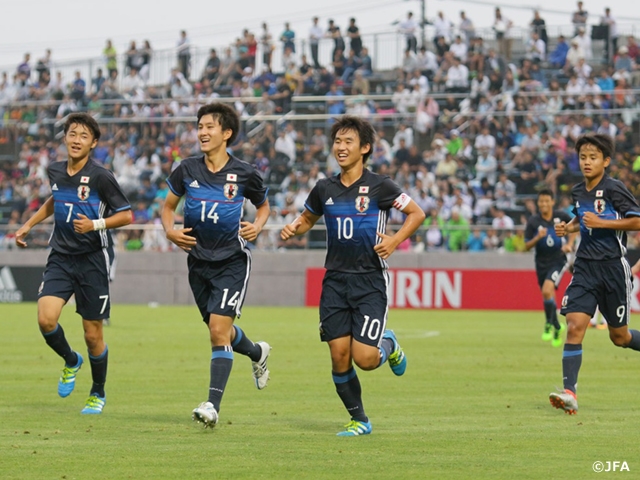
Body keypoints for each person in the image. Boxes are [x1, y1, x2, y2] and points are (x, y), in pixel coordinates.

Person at [280, 116, 426, 436]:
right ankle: (360, 420)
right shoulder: (324, 188)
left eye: (348, 142)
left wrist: (394, 239)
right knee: (339, 355)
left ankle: (389, 344)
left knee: (365, 358)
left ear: (365, 148)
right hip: (335, 280)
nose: (341, 147)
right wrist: (295, 227)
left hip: (370, 280)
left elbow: (417, 213)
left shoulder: (380, 186)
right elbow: (307, 217)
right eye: (337, 142)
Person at [161, 103, 272, 428]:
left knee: (217, 331)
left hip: (231, 262)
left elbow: (264, 206)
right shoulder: (186, 169)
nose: (203, 132)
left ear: (227, 133)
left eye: (210, 126)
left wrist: (258, 225)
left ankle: (212, 405)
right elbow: (168, 208)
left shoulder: (245, 173)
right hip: (197, 263)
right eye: (200, 126)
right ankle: (256, 353)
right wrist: (170, 231)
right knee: (220, 330)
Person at [14, 113, 133, 415]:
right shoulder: (55, 170)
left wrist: (94, 224)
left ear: (93, 143)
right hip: (61, 257)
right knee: (45, 319)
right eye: (72, 134)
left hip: (93, 260)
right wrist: (29, 224)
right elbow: (54, 200)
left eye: (83, 136)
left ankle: (97, 392)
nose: (76, 139)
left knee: (93, 335)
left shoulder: (102, 176)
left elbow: (126, 215)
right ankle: (70, 360)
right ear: (65, 137)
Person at [550, 133, 640, 415]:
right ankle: (569, 393)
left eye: (593, 157)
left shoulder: (614, 189)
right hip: (586, 267)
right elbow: (582, 218)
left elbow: (636, 220)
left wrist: (601, 222)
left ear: (606, 161)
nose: (587, 162)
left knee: (620, 337)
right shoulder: (578, 191)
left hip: (613, 268)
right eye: (583, 157)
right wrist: (570, 228)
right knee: (575, 326)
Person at [524, 189, 575, 347]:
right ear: (538, 203)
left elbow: (575, 226)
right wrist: (537, 237)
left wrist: (569, 244)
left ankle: (550, 324)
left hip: (558, 259)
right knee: (547, 295)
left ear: (552, 202)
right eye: (541, 201)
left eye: (547, 201)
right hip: (541, 262)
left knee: (547, 290)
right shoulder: (533, 222)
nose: (544, 204)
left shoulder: (561, 217)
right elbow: (526, 246)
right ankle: (554, 325)